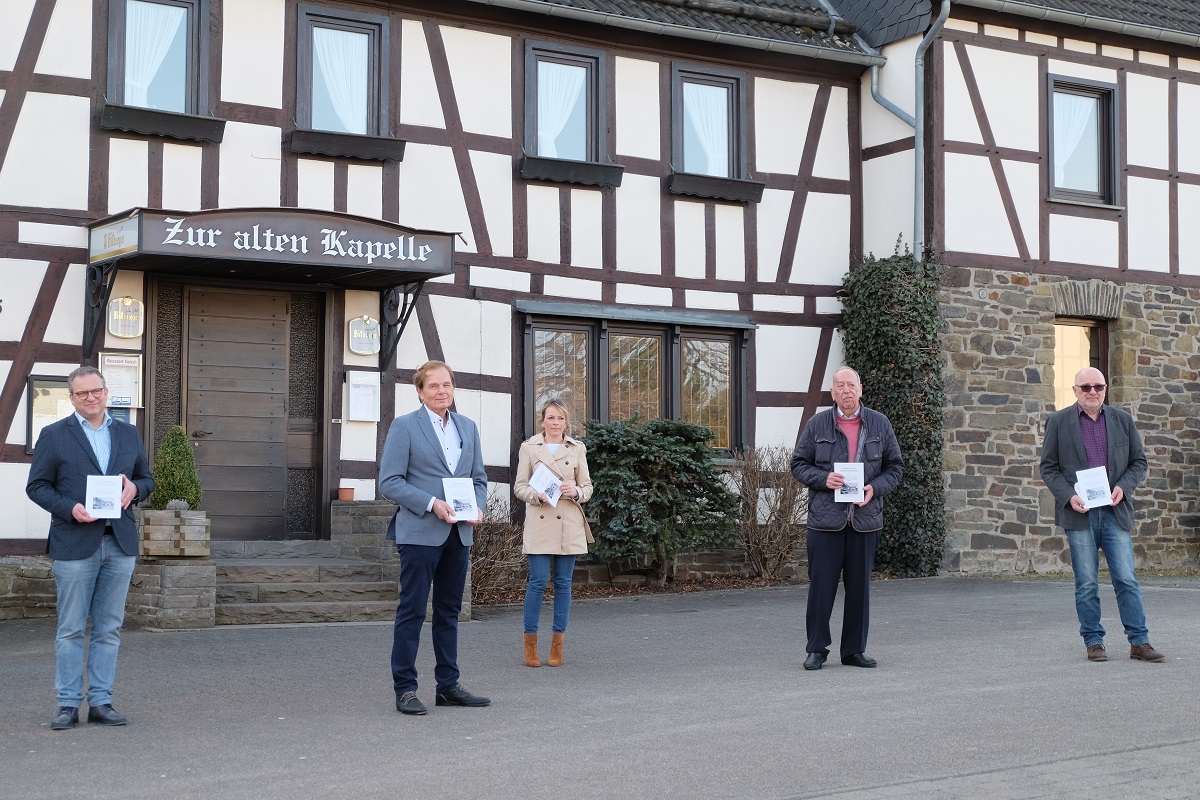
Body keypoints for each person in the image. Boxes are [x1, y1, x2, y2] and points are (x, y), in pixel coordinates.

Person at [26, 366, 154, 730]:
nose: (91, 398)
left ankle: (101, 701)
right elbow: (36, 487)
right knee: (69, 629)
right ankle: (67, 704)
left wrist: (137, 490)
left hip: (119, 543)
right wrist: (69, 509)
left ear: (105, 391)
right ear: (71, 398)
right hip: (74, 542)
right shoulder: (53, 435)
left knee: (109, 629)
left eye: (96, 391)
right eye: (82, 393)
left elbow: (146, 478)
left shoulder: (128, 434)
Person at [379, 360, 491, 715]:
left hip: (459, 534)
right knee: (411, 611)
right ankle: (406, 689)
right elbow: (390, 482)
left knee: (448, 612)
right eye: (433, 386)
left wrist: (478, 507)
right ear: (420, 391)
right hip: (419, 533)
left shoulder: (467, 428)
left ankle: (448, 685)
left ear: (453, 388)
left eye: (447, 385)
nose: (441, 391)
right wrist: (432, 504)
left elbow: (478, 479)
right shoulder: (404, 427)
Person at [1039, 367, 1165, 663]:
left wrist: (1123, 486)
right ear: (1075, 390)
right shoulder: (1058, 422)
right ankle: (1094, 641)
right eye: (1086, 387)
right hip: (1079, 513)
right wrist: (1069, 496)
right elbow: (1049, 468)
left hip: (1114, 511)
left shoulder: (1122, 420)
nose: (1092, 392)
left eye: (1098, 386)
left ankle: (1139, 642)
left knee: (1126, 578)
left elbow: (1138, 462)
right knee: (1086, 581)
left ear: (1105, 388)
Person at [791, 366, 903, 671]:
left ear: (860, 388)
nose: (846, 391)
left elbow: (895, 468)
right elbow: (798, 464)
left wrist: (874, 488)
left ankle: (854, 650)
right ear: (833, 392)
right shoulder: (817, 424)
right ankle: (816, 648)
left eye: (850, 385)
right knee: (820, 588)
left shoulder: (879, 424)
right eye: (840, 386)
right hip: (826, 522)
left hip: (865, 520)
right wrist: (823, 478)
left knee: (859, 590)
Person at [513, 399, 594, 668]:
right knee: (537, 582)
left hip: (568, 522)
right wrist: (535, 496)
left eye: (560, 418)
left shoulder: (578, 448)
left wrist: (578, 492)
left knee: (563, 583)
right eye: (550, 417)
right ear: (543, 420)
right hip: (540, 520)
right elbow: (519, 486)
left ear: (565, 421)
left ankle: (557, 645)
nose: (555, 423)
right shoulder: (529, 447)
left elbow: (588, 486)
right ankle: (530, 645)